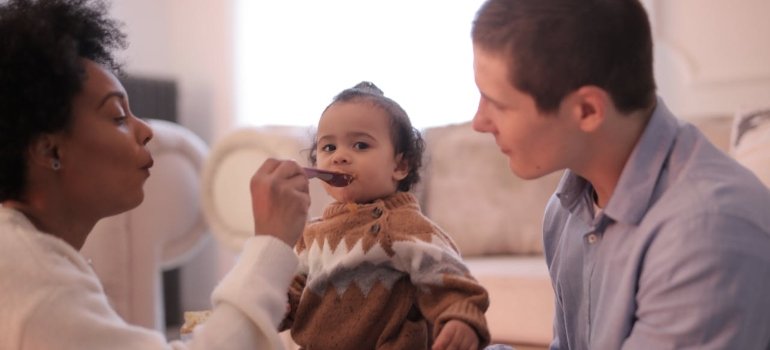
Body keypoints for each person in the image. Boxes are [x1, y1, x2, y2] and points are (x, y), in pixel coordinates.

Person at [0, 0, 310, 349]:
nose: (146, 130)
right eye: (118, 116)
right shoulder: (37, 284)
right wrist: (269, 245)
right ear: (49, 150)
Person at [470, 0, 770, 349]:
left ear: (587, 110)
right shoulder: (568, 210)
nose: (479, 122)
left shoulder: (705, 233)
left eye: (498, 103)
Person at [279, 82, 490, 350]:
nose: (340, 157)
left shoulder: (402, 225)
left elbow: (448, 276)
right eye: (329, 148)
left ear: (401, 165)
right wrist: (278, 304)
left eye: (360, 145)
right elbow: (294, 293)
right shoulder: (311, 235)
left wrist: (461, 318)